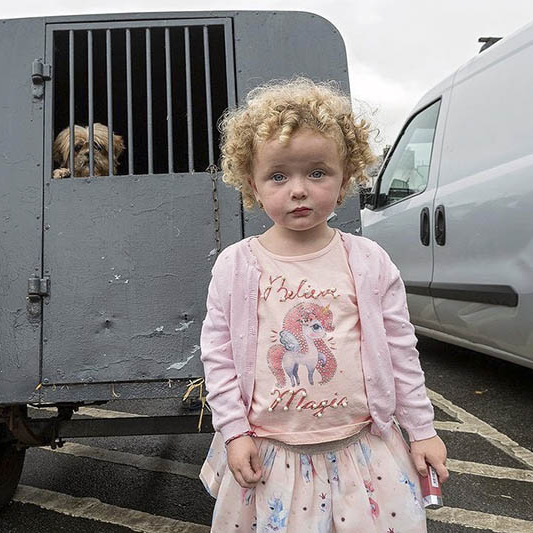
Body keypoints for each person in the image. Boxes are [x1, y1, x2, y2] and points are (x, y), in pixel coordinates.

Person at [198, 78, 448, 532]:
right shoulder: (236, 266)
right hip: (271, 455)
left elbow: (400, 352)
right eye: (278, 175)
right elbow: (218, 356)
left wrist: (423, 430)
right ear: (251, 185)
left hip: (364, 452)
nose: (298, 189)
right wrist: (233, 432)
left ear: (346, 178)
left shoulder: (368, 261)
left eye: (317, 173)